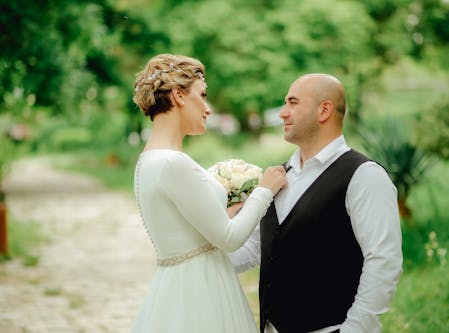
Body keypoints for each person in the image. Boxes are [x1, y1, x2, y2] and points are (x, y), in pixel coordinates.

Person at [230, 74, 403, 333]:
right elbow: (257, 248)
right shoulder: (279, 176)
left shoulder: (364, 176)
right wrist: (200, 253)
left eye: (293, 103)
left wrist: (354, 329)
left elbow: (383, 260)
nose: (282, 113)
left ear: (324, 110)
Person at [130, 53, 287, 333]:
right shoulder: (172, 163)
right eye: (202, 96)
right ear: (178, 95)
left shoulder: (150, 160)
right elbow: (229, 238)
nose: (208, 108)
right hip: (200, 292)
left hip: (179, 285)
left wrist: (228, 211)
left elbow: (188, 227)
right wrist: (265, 190)